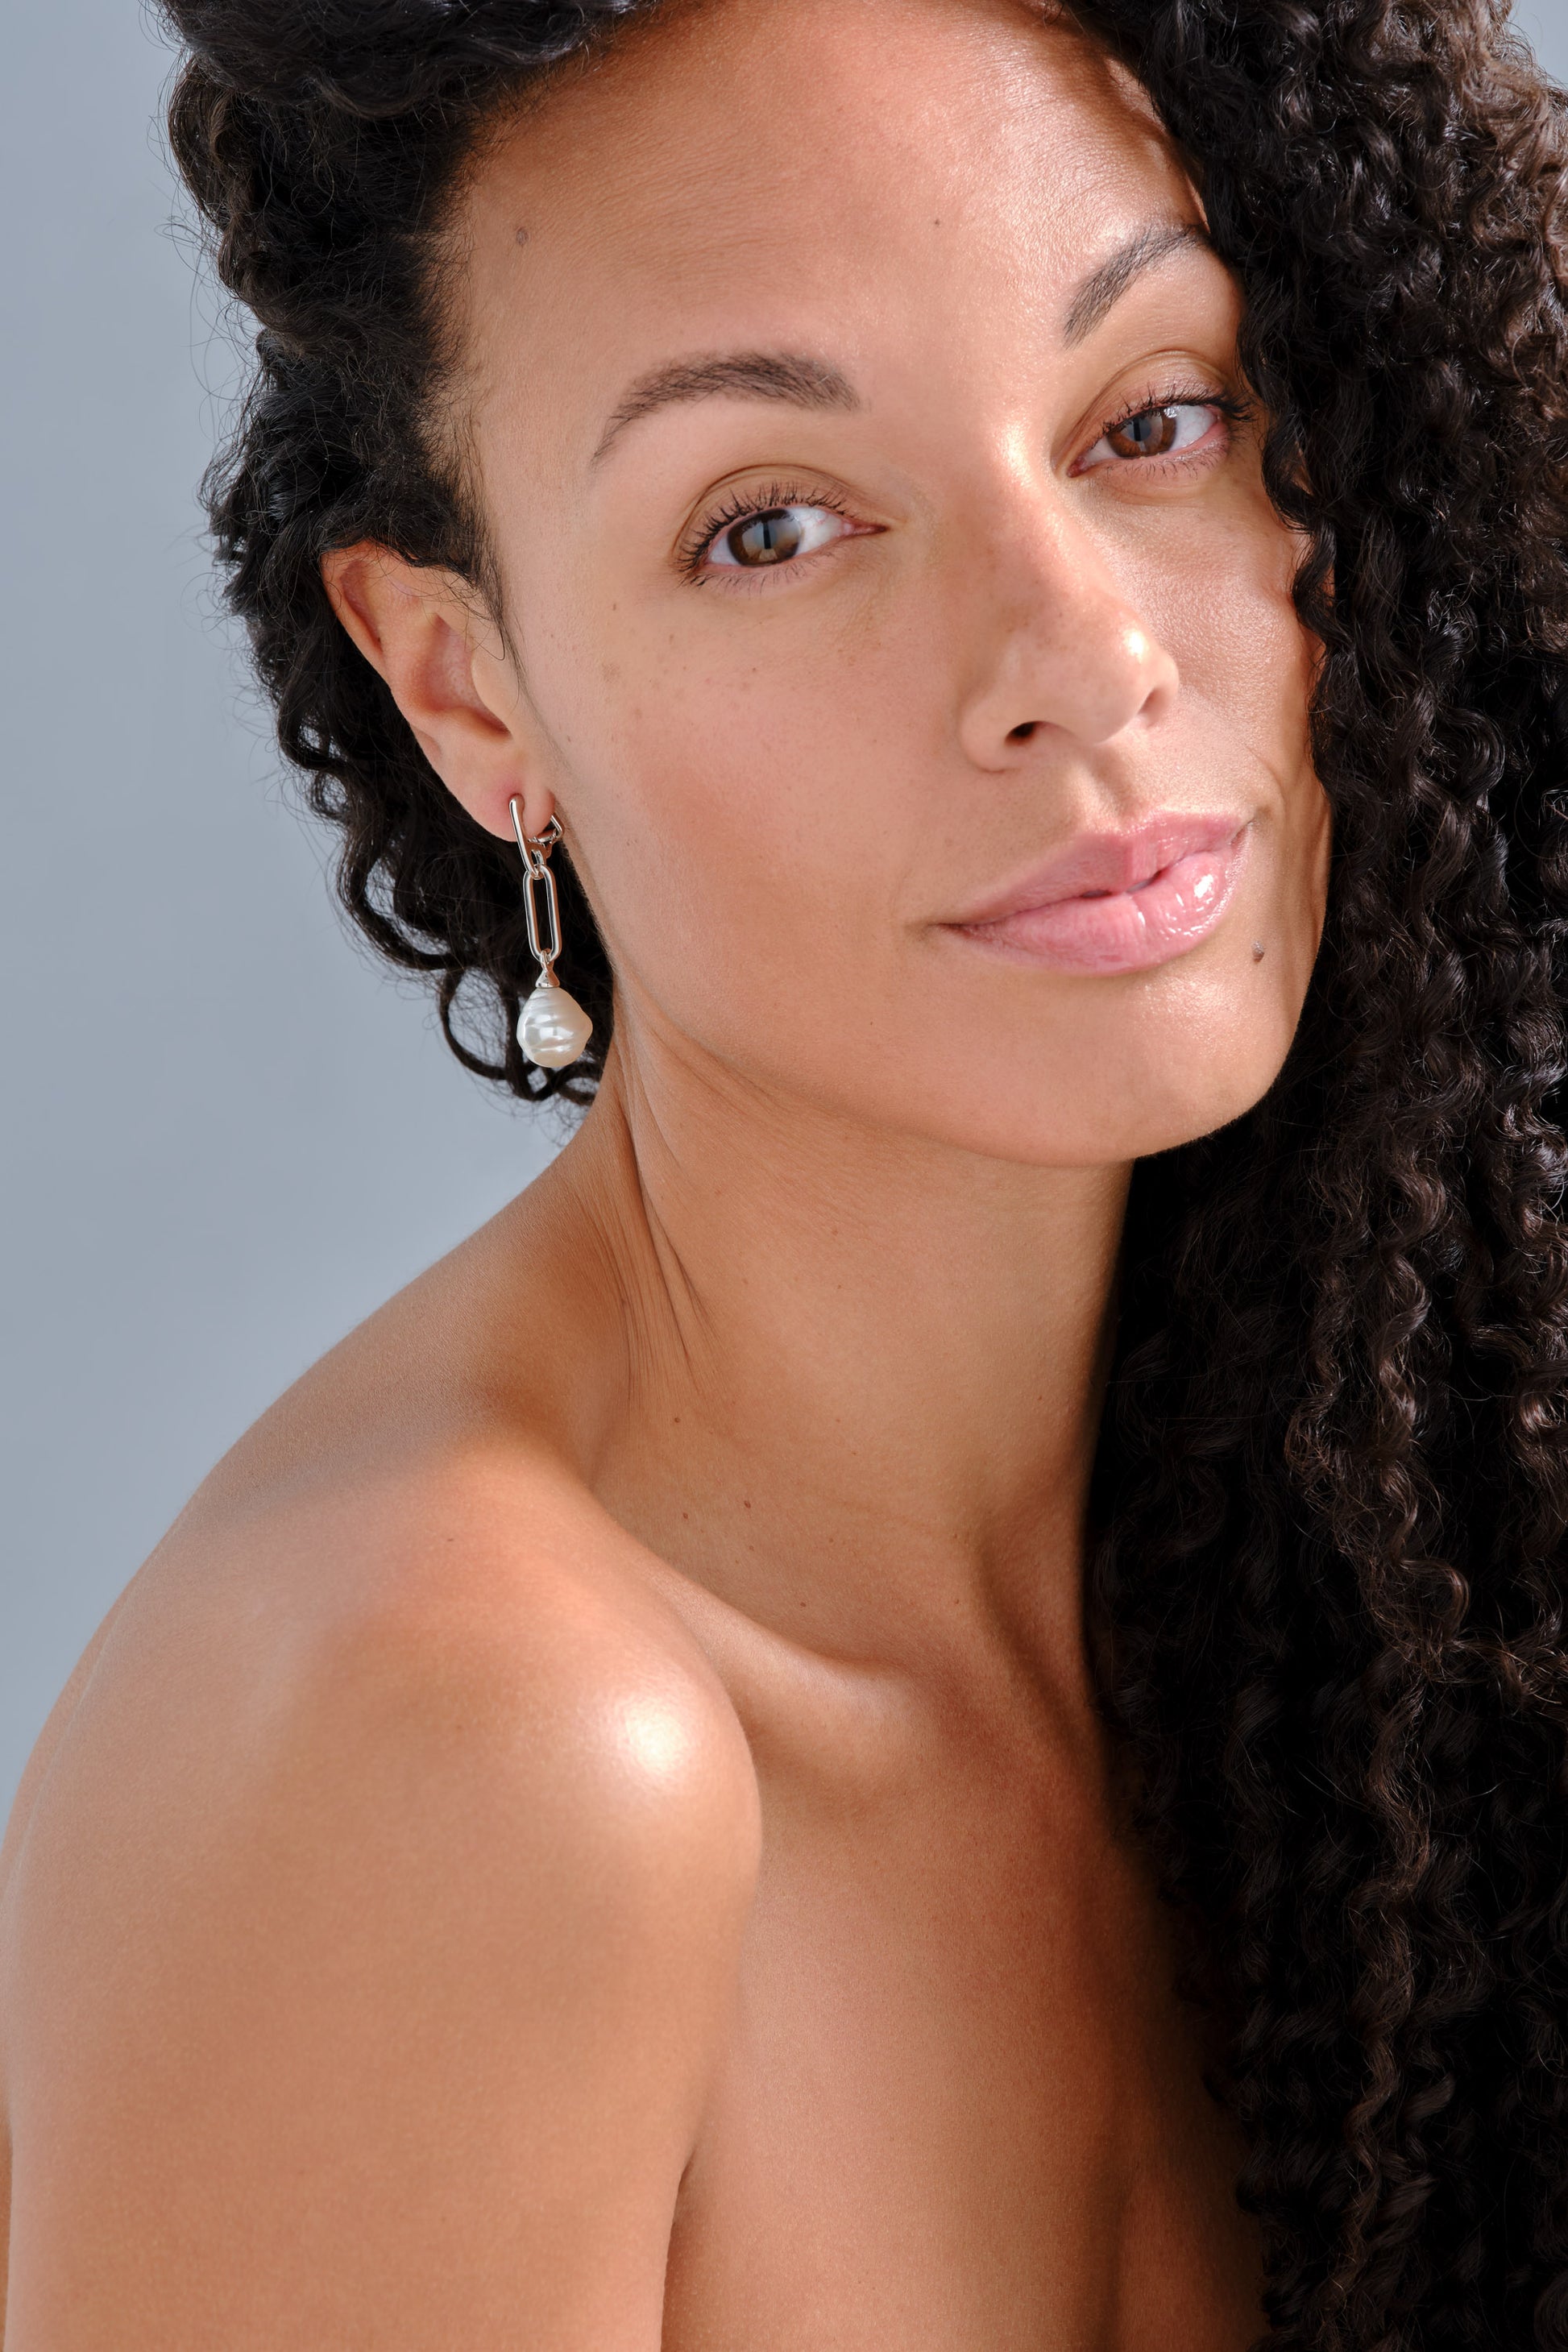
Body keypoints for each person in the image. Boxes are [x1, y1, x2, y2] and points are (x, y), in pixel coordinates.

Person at [2, 0, 1566, 2342]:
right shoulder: (475, 1754)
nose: (1075, 654)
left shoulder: (1360, 1556)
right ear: (464, 688)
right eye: (772, 525)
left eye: (1153, 418)